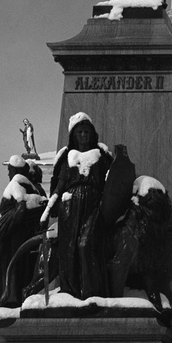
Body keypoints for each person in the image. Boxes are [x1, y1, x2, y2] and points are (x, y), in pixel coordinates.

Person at [42, 114, 114, 299]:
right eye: (80, 132)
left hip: (93, 204)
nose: (83, 135)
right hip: (70, 207)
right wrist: (48, 210)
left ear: (92, 134)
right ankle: (70, 290)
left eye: (86, 132)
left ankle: (92, 291)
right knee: (69, 248)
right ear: (74, 135)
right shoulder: (69, 157)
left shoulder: (100, 156)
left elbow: (110, 183)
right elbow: (60, 186)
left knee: (87, 245)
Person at [0, 155, 47, 307]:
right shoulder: (32, 188)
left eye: (9, 170)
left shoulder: (17, 184)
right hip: (21, 238)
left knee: (8, 271)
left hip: (11, 239)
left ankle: (8, 298)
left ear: (15, 171)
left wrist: (1, 229)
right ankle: (11, 297)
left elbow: (20, 210)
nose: (8, 174)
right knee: (16, 271)